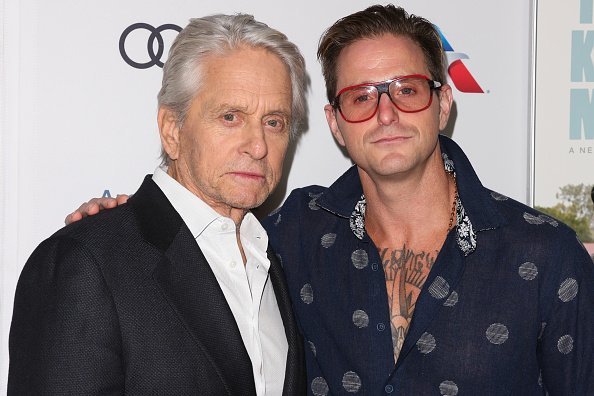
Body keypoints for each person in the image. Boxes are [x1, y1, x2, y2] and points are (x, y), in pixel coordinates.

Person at [64, 5, 594, 395]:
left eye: (407, 89)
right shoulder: (293, 234)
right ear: (336, 124)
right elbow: (195, 232)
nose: (386, 113)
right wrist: (129, 221)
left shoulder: (545, 255)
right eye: (361, 97)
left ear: (444, 102)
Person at [9, 13, 308, 395]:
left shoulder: (274, 258)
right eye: (231, 117)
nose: (258, 145)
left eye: (274, 122)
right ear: (172, 130)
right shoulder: (84, 263)